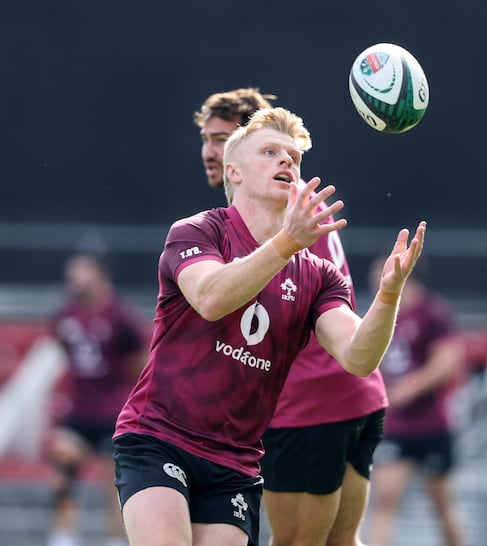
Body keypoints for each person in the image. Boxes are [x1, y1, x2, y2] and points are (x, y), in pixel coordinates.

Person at [113, 106, 426, 546]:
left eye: (293, 158)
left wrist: (389, 297)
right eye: (270, 151)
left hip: (234, 463)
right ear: (233, 171)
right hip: (158, 436)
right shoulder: (196, 232)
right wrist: (285, 244)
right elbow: (211, 298)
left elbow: (358, 357)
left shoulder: (318, 274)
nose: (286, 161)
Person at [194, 89, 389, 546]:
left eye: (223, 138)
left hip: (306, 401)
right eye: (205, 139)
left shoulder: (278, 209)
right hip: (352, 392)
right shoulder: (290, 202)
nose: (209, 151)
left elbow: (228, 304)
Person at [47, 252, 148, 546]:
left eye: (80, 272)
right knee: (62, 463)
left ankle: (115, 538)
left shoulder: (122, 316)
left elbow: (141, 362)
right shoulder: (65, 314)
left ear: (100, 276)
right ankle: (63, 534)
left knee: (113, 480)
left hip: (113, 412)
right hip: (79, 408)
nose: (73, 278)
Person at [366, 259, 465, 546]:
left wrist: (409, 390)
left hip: (433, 423)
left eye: (380, 272)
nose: (375, 279)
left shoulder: (432, 312)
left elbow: (448, 361)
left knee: (442, 504)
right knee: (384, 500)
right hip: (397, 425)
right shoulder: (382, 312)